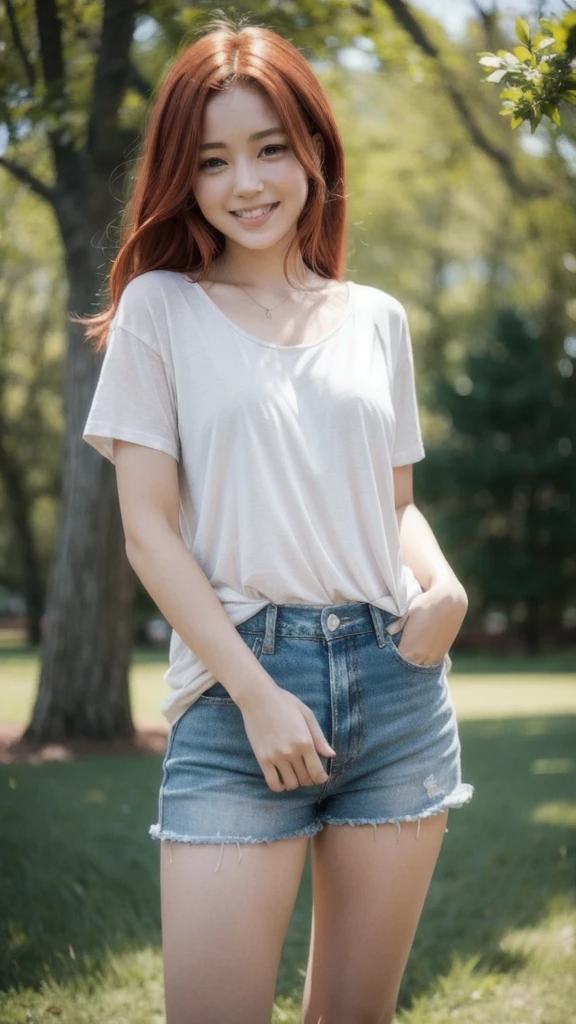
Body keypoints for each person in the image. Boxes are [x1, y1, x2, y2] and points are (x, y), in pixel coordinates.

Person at [80, 14, 474, 1024]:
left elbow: (391, 505)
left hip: (396, 687)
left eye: (268, 149)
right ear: (183, 178)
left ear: (313, 154)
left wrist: (445, 586)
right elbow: (148, 531)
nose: (245, 182)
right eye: (212, 161)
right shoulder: (158, 310)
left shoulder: (376, 318)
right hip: (235, 684)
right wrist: (257, 695)